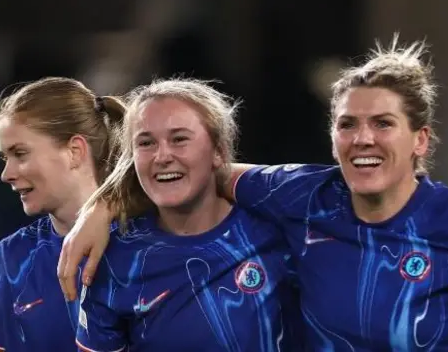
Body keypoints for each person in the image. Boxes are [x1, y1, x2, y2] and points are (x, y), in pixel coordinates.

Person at [59, 38, 448, 351]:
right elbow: (198, 167)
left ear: (420, 140)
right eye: (347, 124)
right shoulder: (300, 194)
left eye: (383, 123)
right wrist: (100, 208)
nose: (363, 138)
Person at [73, 79, 301, 352]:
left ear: (219, 152)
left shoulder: (278, 236)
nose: (162, 156)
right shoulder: (114, 257)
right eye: (146, 143)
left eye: (179, 139)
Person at [0, 77, 125, 352]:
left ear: (75, 151)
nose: (7, 174)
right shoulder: (11, 258)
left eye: (20, 153)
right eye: (6, 158)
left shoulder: (149, 242)